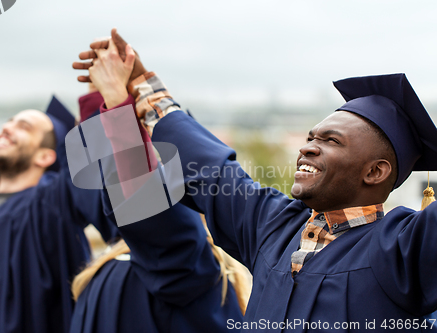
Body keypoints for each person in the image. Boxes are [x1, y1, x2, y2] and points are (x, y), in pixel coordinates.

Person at [76, 30, 437, 332]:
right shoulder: (274, 226)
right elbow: (211, 166)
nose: (307, 148)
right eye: (310, 138)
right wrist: (138, 88)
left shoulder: (405, 247)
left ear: (375, 172)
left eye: (331, 141)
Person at [68, 80, 249, 332]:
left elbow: (144, 204)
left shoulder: (188, 263)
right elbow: (107, 183)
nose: (156, 175)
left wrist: (117, 104)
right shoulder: (132, 243)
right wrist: (99, 94)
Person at [0, 96, 105, 333]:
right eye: (9, 121)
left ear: (45, 156)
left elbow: (87, 170)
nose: (7, 128)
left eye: (24, 127)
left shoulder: (52, 203)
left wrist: (99, 95)